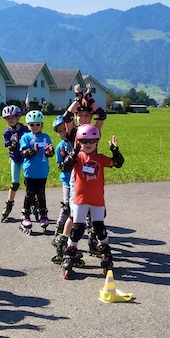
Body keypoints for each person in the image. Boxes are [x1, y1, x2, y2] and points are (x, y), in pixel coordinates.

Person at [59, 125, 124, 279]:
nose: (88, 144)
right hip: (80, 200)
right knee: (77, 228)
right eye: (84, 141)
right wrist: (73, 152)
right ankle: (70, 253)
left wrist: (115, 151)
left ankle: (105, 252)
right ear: (78, 142)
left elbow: (118, 163)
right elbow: (64, 167)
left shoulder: (100, 158)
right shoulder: (77, 158)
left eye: (92, 140)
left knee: (99, 228)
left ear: (97, 141)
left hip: (97, 201)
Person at [53, 84, 107, 253]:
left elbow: (102, 115)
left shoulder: (93, 130)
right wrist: (78, 98)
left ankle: (93, 239)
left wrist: (90, 100)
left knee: (95, 212)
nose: (83, 118)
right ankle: (63, 240)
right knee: (74, 212)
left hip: (93, 176)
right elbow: (66, 116)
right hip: (76, 176)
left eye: (87, 115)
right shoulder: (73, 132)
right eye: (80, 115)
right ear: (76, 116)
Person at [18, 110, 54, 234]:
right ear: (28, 125)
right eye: (31, 124)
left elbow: (50, 152)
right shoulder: (26, 137)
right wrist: (32, 151)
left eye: (37, 124)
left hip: (42, 171)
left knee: (41, 193)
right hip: (30, 171)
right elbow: (23, 152)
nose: (35, 127)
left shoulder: (46, 137)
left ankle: (43, 214)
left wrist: (49, 152)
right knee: (30, 194)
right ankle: (26, 215)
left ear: (42, 125)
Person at [0, 105, 29, 222]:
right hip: (15, 159)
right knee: (14, 184)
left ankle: (34, 204)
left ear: (18, 117)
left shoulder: (25, 130)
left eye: (12, 117)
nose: (10, 120)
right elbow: (9, 147)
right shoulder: (7, 133)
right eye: (8, 118)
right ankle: (8, 205)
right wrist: (14, 144)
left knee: (29, 183)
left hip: (26, 159)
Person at [52, 116, 73, 257]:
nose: (63, 133)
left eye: (64, 129)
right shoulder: (60, 146)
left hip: (79, 180)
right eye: (60, 131)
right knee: (66, 206)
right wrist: (65, 158)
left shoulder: (77, 142)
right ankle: (59, 231)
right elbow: (61, 167)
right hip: (66, 181)